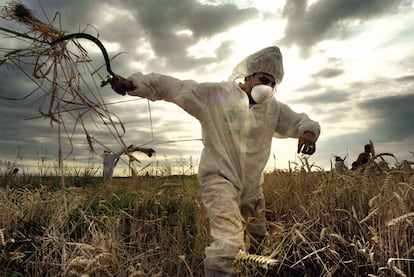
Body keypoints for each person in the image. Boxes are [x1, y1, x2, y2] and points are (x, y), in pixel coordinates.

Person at [110, 46, 320, 277]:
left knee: (258, 243)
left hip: (252, 189)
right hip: (219, 178)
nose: (267, 87)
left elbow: (301, 121)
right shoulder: (216, 95)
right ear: (249, 75)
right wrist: (135, 84)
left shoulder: (273, 110)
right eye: (263, 79)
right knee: (229, 242)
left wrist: (308, 132)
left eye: (272, 83)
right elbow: (176, 88)